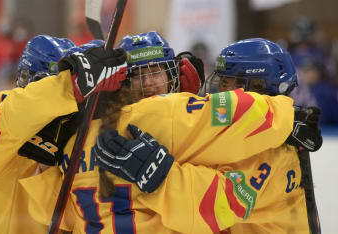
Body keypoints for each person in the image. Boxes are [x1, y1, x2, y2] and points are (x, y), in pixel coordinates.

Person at [12, 33, 306, 234]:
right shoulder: (172, 115)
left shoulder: (71, 139)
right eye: (140, 73)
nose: (150, 83)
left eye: (157, 70)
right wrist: (288, 115)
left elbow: (49, 209)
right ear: (121, 81)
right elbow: (226, 204)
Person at [94, 38, 323, 233]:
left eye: (228, 84)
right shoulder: (255, 133)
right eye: (220, 81)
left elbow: (215, 206)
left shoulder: (272, 151)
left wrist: (157, 174)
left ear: (258, 88)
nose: (218, 93)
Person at [0, 35, 101, 233]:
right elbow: (21, 110)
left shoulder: (73, 129)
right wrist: (72, 85)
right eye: (47, 83)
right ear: (26, 78)